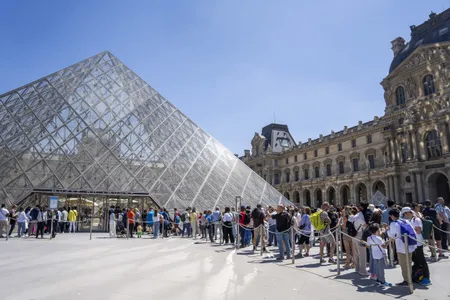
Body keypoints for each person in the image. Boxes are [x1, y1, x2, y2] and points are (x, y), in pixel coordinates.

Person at [385, 208, 417, 286]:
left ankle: (406, 280)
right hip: (410, 245)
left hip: (401, 246)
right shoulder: (405, 221)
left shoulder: (394, 224)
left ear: (392, 216)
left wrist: (387, 230)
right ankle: (410, 278)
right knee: (409, 262)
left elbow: (392, 235)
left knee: (403, 264)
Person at [402, 207, 431, 286]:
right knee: (416, 261)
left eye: (404, 214)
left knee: (422, 261)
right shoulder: (408, 220)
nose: (404, 216)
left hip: (418, 243)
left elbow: (418, 230)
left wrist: (408, 230)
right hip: (412, 244)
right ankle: (417, 276)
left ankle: (427, 278)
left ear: (408, 213)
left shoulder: (416, 220)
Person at [349, 204, 369, 276]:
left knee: (356, 252)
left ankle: (357, 268)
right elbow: (365, 225)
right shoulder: (360, 217)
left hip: (353, 234)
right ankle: (363, 270)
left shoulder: (353, 217)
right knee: (362, 253)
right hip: (360, 234)